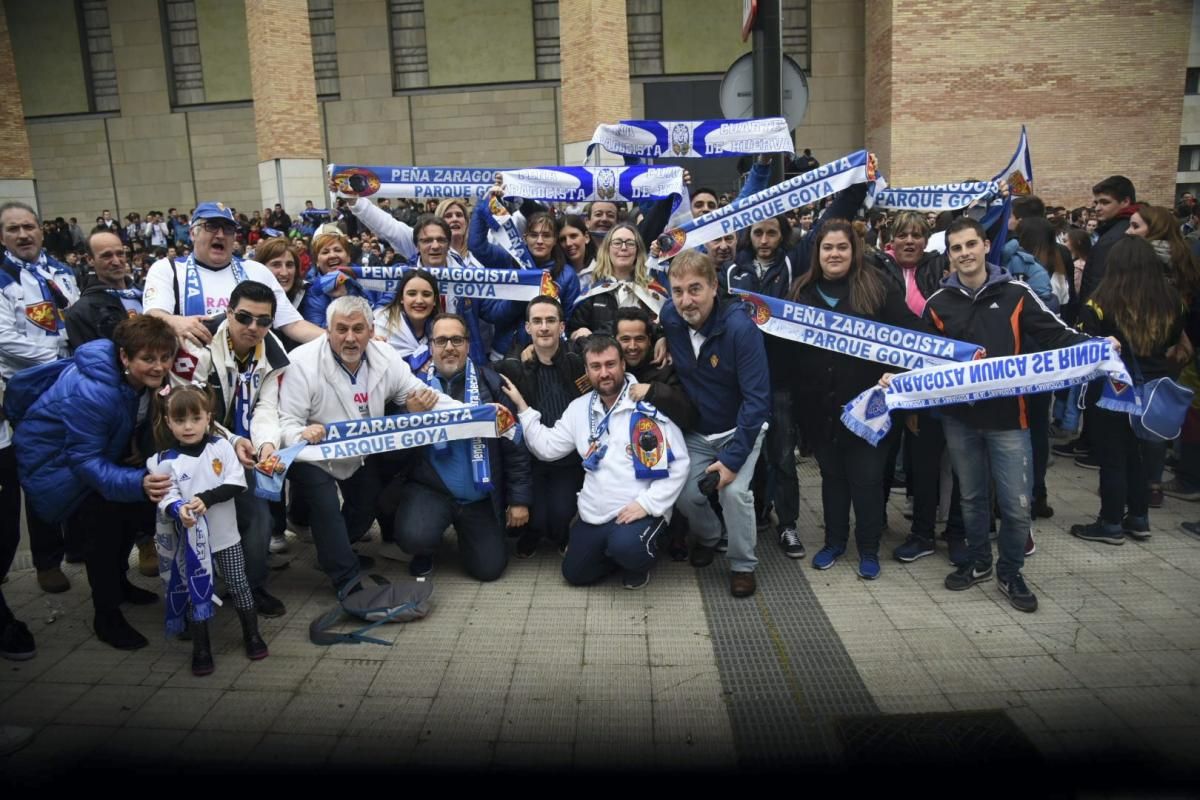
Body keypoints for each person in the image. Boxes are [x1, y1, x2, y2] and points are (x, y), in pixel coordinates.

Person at [909, 218, 1103, 613]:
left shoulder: (1016, 293)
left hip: (1009, 422)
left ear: (984, 246)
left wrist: (1098, 347)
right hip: (959, 421)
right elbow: (918, 359)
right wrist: (894, 381)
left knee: (1016, 505)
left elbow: (1056, 334)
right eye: (956, 248)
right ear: (949, 255)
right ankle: (980, 561)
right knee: (972, 498)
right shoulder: (938, 304)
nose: (964, 253)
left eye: (970, 245)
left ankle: (1011, 571)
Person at [268, 295, 464, 593]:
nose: (350, 338)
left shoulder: (384, 356)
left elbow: (422, 394)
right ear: (328, 330)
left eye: (358, 329)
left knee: (365, 503)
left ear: (371, 331)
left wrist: (471, 413)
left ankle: (333, 551)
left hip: (356, 453)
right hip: (311, 454)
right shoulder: (301, 362)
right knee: (326, 504)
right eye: (341, 329)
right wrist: (302, 434)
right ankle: (346, 581)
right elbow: (286, 421)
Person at [13, 315, 177, 649]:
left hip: (99, 456)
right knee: (101, 534)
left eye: (164, 357)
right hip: (59, 465)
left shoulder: (142, 380)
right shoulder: (94, 392)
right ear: (124, 358)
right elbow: (84, 461)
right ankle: (106, 615)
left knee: (128, 522)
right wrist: (138, 482)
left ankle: (119, 584)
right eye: (148, 359)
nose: (159, 367)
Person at [790, 221, 932, 579]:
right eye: (827, 248)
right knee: (832, 478)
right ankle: (834, 542)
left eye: (841, 247)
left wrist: (903, 369)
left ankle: (868, 548)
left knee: (867, 480)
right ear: (816, 253)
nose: (834, 254)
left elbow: (910, 333)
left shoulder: (878, 287)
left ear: (853, 251)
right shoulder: (801, 291)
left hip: (870, 408)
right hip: (819, 407)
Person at [503, 335, 689, 589]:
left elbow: (679, 464)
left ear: (623, 364)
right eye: (596, 366)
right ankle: (616, 550)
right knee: (575, 574)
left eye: (610, 364)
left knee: (629, 549)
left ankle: (638, 559)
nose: (604, 373)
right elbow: (547, 447)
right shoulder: (579, 408)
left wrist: (646, 504)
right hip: (595, 513)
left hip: (638, 510)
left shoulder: (646, 407)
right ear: (587, 371)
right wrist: (523, 409)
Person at [170, 280, 290, 617]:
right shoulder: (196, 345)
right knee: (191, 522)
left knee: (259, 517)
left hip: (241, 450)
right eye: (244, 317)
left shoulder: (271, 348)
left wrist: (267, 443)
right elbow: (189, 411)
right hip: (190, 448)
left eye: (263, 321)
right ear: (228, 313)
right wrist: (233, 440)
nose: (254, 328)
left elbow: (267, 406)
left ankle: (250, 588)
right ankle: (189, 599)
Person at [384, 314, 531, 580]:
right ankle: (425, 548)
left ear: (468, 344)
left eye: (456, 340)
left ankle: (469, 534)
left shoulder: (492, 383)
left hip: (480, 494)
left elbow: (515, 445)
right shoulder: (412, 387)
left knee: (489, 570)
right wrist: (410, 418)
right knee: (413, 537)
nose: (449, 347)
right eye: (441, 341)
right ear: (430, 346)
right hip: (431, 490)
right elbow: (390, 452)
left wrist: (518, 500)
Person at [661, 250, 770, 598]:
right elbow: (662, 323)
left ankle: (742, 565)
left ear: (713, 287)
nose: (686, 300)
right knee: (683, 492)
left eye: (695, 289)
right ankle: (710, 537)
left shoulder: (741, 329)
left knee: (734, 494)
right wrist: (660, 336)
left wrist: (734, 458)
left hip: (740, 429)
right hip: (697, 432)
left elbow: (757, 401)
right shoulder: (671, 317)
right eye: (677, 291)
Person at [147, 384, 268, 676]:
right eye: (179, 420)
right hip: (189, 544)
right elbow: (167, 497)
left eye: (195, 418)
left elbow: (236, 482)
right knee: (194, 593)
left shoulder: (222, 447)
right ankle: (201, 648)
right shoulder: (162, 461)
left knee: (239, 584)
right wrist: (180, 510)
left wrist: (206, 499)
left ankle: (252, 634)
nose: (188, 427)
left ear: (208, 417)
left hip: (226, 538)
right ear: (168, 421)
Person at [1070, 237, 1183, 545]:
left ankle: (1109, 523)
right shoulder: (1172, 298)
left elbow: (1084, 338)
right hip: (1155, 390)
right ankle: (1138, 518)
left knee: (1113, 457)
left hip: (1113, 390)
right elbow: (1174, 338)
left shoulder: (1102, 299)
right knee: (1139, 456)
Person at [1, 201, 83, 593]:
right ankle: (46, 560)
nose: (23, 234)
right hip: (31, 389)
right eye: (13, 229)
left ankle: (78, 545)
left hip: (72, 383)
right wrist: (59, 353)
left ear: (40, 229)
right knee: (40, 473)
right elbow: (4, 339)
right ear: (2, 236)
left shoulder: (61, 273)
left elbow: (76, 316)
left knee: (80, 460)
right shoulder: (2, 278)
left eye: (28, 226)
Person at [142, 201, 322, 348]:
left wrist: (335, 338)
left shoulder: (256, 271)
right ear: (192, 233)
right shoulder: (167, 269)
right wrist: (175, 322)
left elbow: (293, 324)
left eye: (228, 229)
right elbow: (153, 314)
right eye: (211, 226)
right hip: (194, 377)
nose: (220, 235)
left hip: (248, 377)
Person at [496, 296, 589, 557]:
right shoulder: (515, 365)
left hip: (569, 459)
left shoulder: (577, 360)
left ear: (562, 326)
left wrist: (583, 338)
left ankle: (562, 532)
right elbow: (486, 372)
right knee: (534, 518)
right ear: (528, 328)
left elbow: (606, 351)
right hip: (531, 458)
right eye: (537, 321)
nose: (544, 327)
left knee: (560, 514)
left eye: (550, 320)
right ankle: (534, 532)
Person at [470, 195, 580, 358]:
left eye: (546, 235)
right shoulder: (509, 260)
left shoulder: (567, 275)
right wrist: (484, 203)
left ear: (555, 240)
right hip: (504, 352)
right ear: (525, 237)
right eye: (534, 235)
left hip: (548, 356)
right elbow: (477, 246)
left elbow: (569, 321)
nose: (540, 241)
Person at [568, 224, 667, 341]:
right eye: (617, 243)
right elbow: (572, 331)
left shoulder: (653, 290)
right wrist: (578, 334)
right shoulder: (592, 292)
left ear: (638, 251)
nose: (623, 247)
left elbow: (667, 328)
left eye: (630, 243)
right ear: (607, 249)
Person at [66, 229, 143, 350]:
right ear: (90, 260)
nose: (117, 262)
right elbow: (93, 362)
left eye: (120, 253)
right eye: (107, 256)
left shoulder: (148, 294)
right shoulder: (81, 312)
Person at [374, 268, 440, 371]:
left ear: (434, 300)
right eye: (412, 294)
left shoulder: (442, 331)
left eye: (426, 294)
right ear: (401, 298)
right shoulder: (380, 323)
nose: (419, 300)